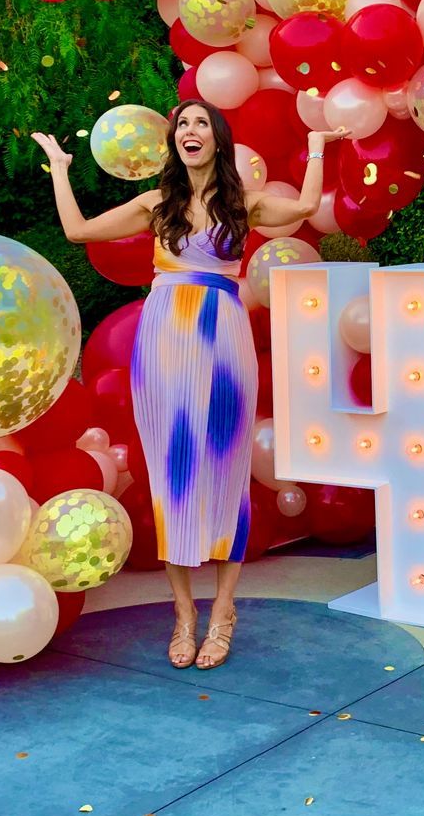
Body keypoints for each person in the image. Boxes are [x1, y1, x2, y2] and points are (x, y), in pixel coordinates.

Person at [33, 102, 345, 670]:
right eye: (182, 125)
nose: (190, 131)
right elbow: (77, 231)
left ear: (217, 139)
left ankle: (224, 609)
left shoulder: (241, 202)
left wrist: (318, 144)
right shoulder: (156, 204)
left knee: (226, 469)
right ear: (173, 140)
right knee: (172, 474)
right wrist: (60, 166)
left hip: (223, 339)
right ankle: (183, 614)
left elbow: (302, 206)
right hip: (163, 338)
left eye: (201, 123)